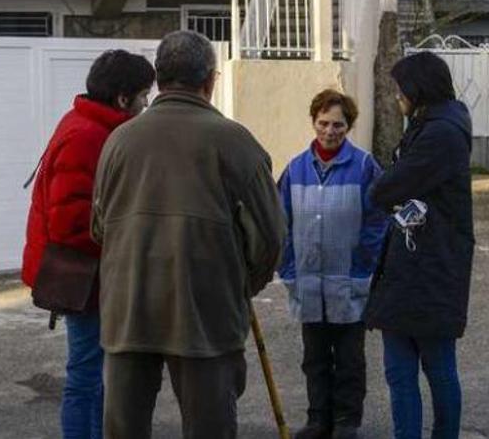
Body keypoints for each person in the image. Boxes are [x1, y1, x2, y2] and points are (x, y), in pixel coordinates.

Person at [91, 31, 286, 439]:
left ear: (159, 79)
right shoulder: (235, 142)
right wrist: (241, 285)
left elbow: (98, 227)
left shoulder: (118, 141)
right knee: (209, 427)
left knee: (123, 429)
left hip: (128, 306)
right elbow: (270, 239)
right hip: (205, 309)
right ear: (210, 81)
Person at [21, 49, 154, 439]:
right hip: (84, 280)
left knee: (95, 376)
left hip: (89, 278)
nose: (147, 104)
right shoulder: (87, 136)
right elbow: (70, 225)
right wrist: (124, 243)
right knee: (85, 377)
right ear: (122, 98)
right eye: (144, 95)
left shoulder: (89, 126)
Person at [363, 52, 475, 439]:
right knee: (401, 371)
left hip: (428, 268)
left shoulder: (440, 132)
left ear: (417, 89)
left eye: (400, 89)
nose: (397, 97)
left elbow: (388, 188)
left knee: (436, 369)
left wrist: (384, 188)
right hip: (415, 267)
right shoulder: (434, 124)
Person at [278, 89, 388, 439]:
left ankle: (345, 422)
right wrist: (289, 270)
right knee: (314, 359)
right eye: (323, 123)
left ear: (349, 126)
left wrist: (363, 267)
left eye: (338, 125)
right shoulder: (295, 169)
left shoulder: (365, 166)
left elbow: (377, 221)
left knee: (350, 359)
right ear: (313, 122)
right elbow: (281, 223)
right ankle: (317, 420)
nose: (329, 131)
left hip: (349, 282)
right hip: (308, 283)